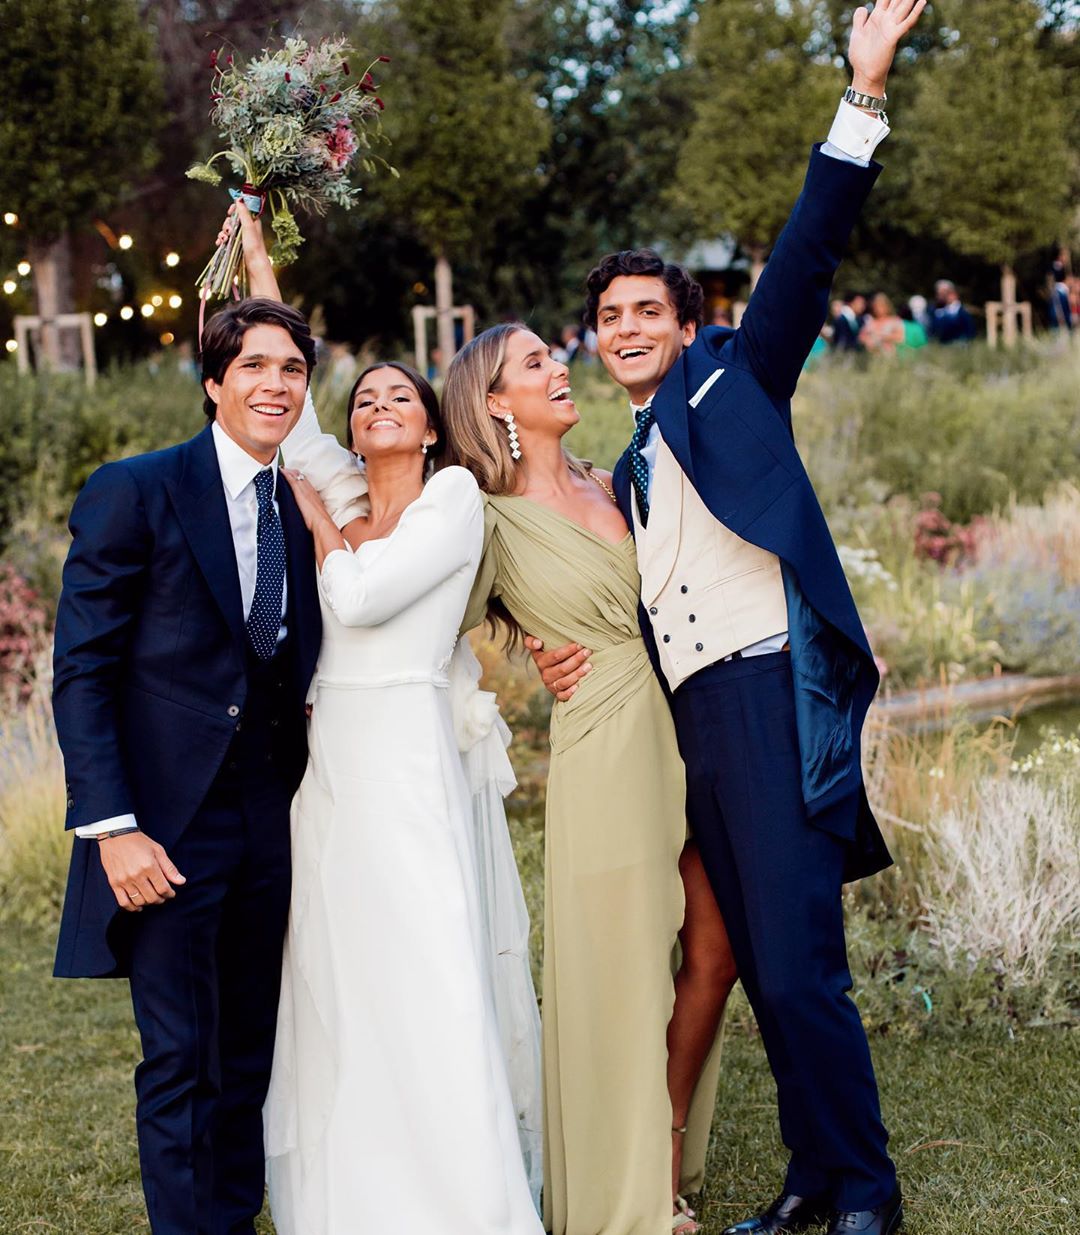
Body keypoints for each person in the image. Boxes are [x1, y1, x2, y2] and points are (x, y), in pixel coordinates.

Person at [531, 4, 926, 1234]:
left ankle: (868, 1188)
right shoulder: (626, 459)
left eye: (648, 311)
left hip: (763, 687)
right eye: (611, 321)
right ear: (597, 345)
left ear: (683, 325)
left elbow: (809, 250)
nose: (628, 330)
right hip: (685, 719)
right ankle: (812, 1176)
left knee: (803, 963)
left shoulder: (734, 377)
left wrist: (861, 91)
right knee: (756, 963)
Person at [226, 208, 545, 1234]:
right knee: (338, 971)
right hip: (335, 759)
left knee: (427, 964)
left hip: (407, 753)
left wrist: (321, 524)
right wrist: (259, 256)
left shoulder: (453, 501)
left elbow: (358, 600)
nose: (376, 407)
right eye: (364, 399)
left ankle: (458, 1195)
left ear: (428, 418)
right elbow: (301, 426)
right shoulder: (343, 481)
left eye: (397, 395)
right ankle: (359, 1192)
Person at [442, 323, 734, 1235]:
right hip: (604, 743)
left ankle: (668, 1139)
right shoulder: (484, 517)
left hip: (686, 722)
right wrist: (529, 645)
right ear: (495, 403)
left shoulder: (615, 479)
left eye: (550, 355)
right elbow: (420, 608)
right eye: (533, 364)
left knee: (716, 952)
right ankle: (634, 1193)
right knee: (621, 970)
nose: (558, 366)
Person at [52, 295, 332, 1234]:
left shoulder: (300, 509)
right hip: (163, 827)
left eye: (291, 369)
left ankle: (230, 1217)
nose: (275, 384)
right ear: (213, 382)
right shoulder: (136, 488)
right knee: (179, 1055)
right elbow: (82, 670)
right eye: (254, 365)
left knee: (249, 1047)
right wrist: (112, 829)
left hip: (270, 816)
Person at [929, 279, 977, 344]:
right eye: (939, 293)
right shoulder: (934, 310)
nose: (941, 296)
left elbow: (970, 331)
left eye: (944, 293)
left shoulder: (962, 312)